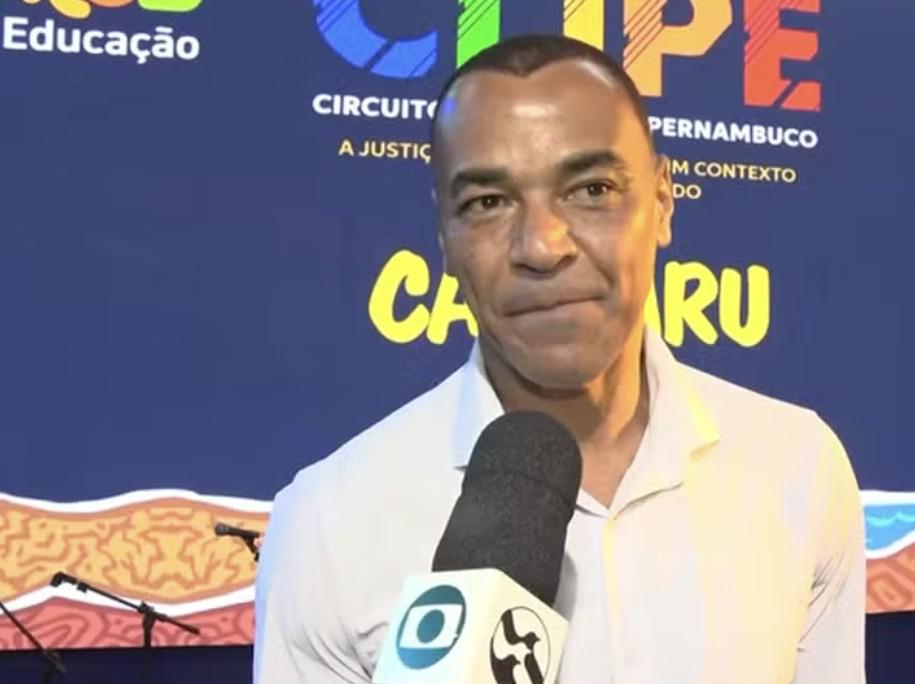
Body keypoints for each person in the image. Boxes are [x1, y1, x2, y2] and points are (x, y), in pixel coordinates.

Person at [254, 34, 866, 683]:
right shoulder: (328, 524)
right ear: (444, 237)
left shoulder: (799, 465)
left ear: (662, 202)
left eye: (591, 189)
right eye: (488, 203)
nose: (542, 246)